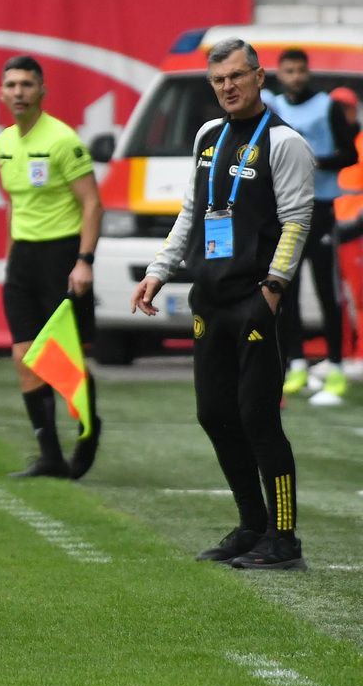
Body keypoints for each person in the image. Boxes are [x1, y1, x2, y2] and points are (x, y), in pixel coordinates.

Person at [131, 38, 315, 570]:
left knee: (259, 419)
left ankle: (284, 541)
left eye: (237, 76)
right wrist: (159, 271)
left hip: (253, 301)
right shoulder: (208, 135)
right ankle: (251, 525)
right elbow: (192, 212)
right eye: (218, 80)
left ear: (260, 77)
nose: (228, 87)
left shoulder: (284, 143)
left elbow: (298, 221)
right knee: (214, 413)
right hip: (208, 298)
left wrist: (273, 289)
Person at [0, 55, 104, 479]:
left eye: (26, 84)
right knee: (24, 355)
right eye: (11, 85)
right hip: (23, 258)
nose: (18, 92)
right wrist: (10, 257)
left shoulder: (62, 140)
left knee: (65, 358)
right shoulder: (4, 142)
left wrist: (84, 261)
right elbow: (14, 204)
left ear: (42, 91)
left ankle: (88, 433)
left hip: (62, 258)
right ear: (1, 93)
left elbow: (92, 203)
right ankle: (49, 454)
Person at [266, 49, 360, 406]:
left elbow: (350, 155)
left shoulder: (326, 106)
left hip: (320, 208)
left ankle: (335, 366)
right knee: (285, 287)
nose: (295, 76)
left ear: (307, 72)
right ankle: (296, 363)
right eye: (288, 71)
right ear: (280, 73)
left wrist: (316, 161)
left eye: (300, 70)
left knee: (326, 289)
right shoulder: (274, 107)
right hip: (285, 208)